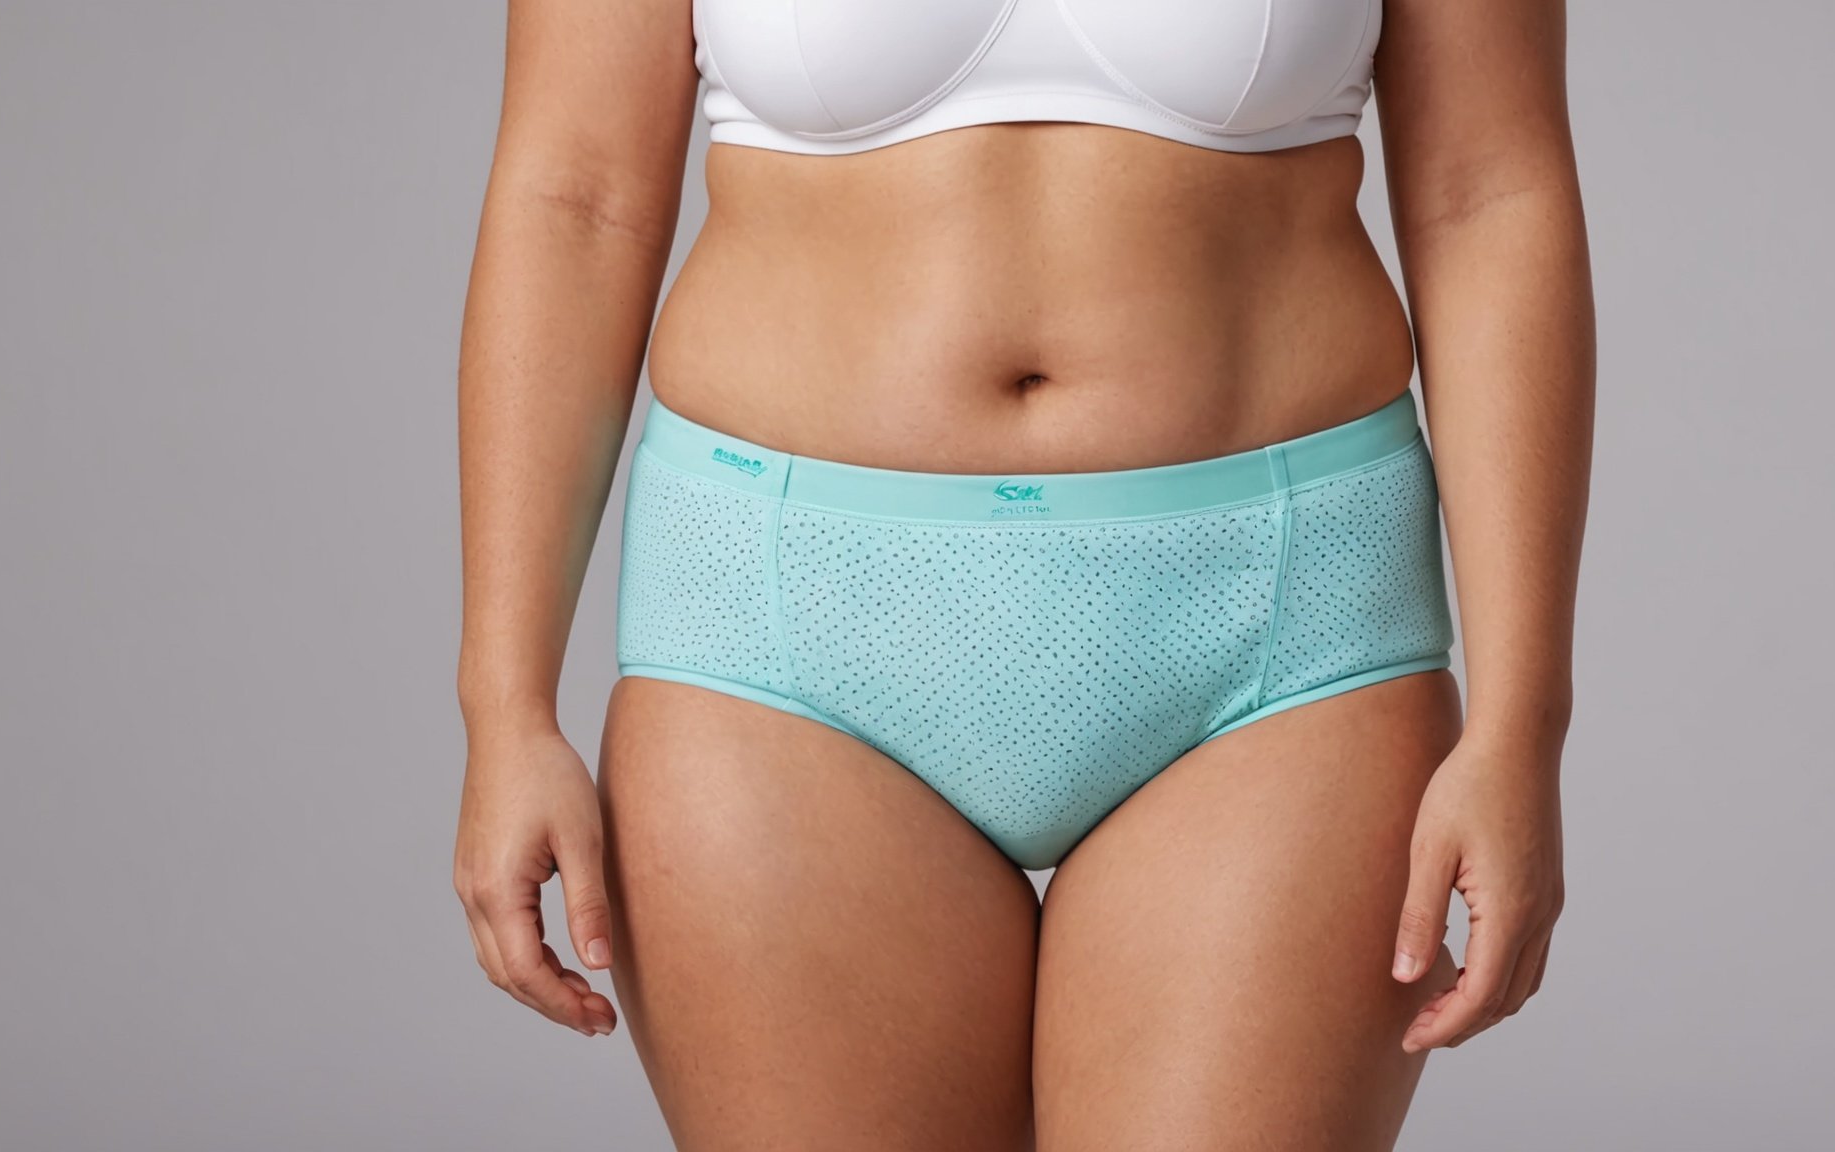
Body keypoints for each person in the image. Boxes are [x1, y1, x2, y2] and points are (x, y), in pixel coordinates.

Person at [453, 0, 1593, 1146]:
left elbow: (1489, 191)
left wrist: (1523, 725)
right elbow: (575, 196)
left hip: (1280, 622)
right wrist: (504, 709)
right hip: (783, 632)